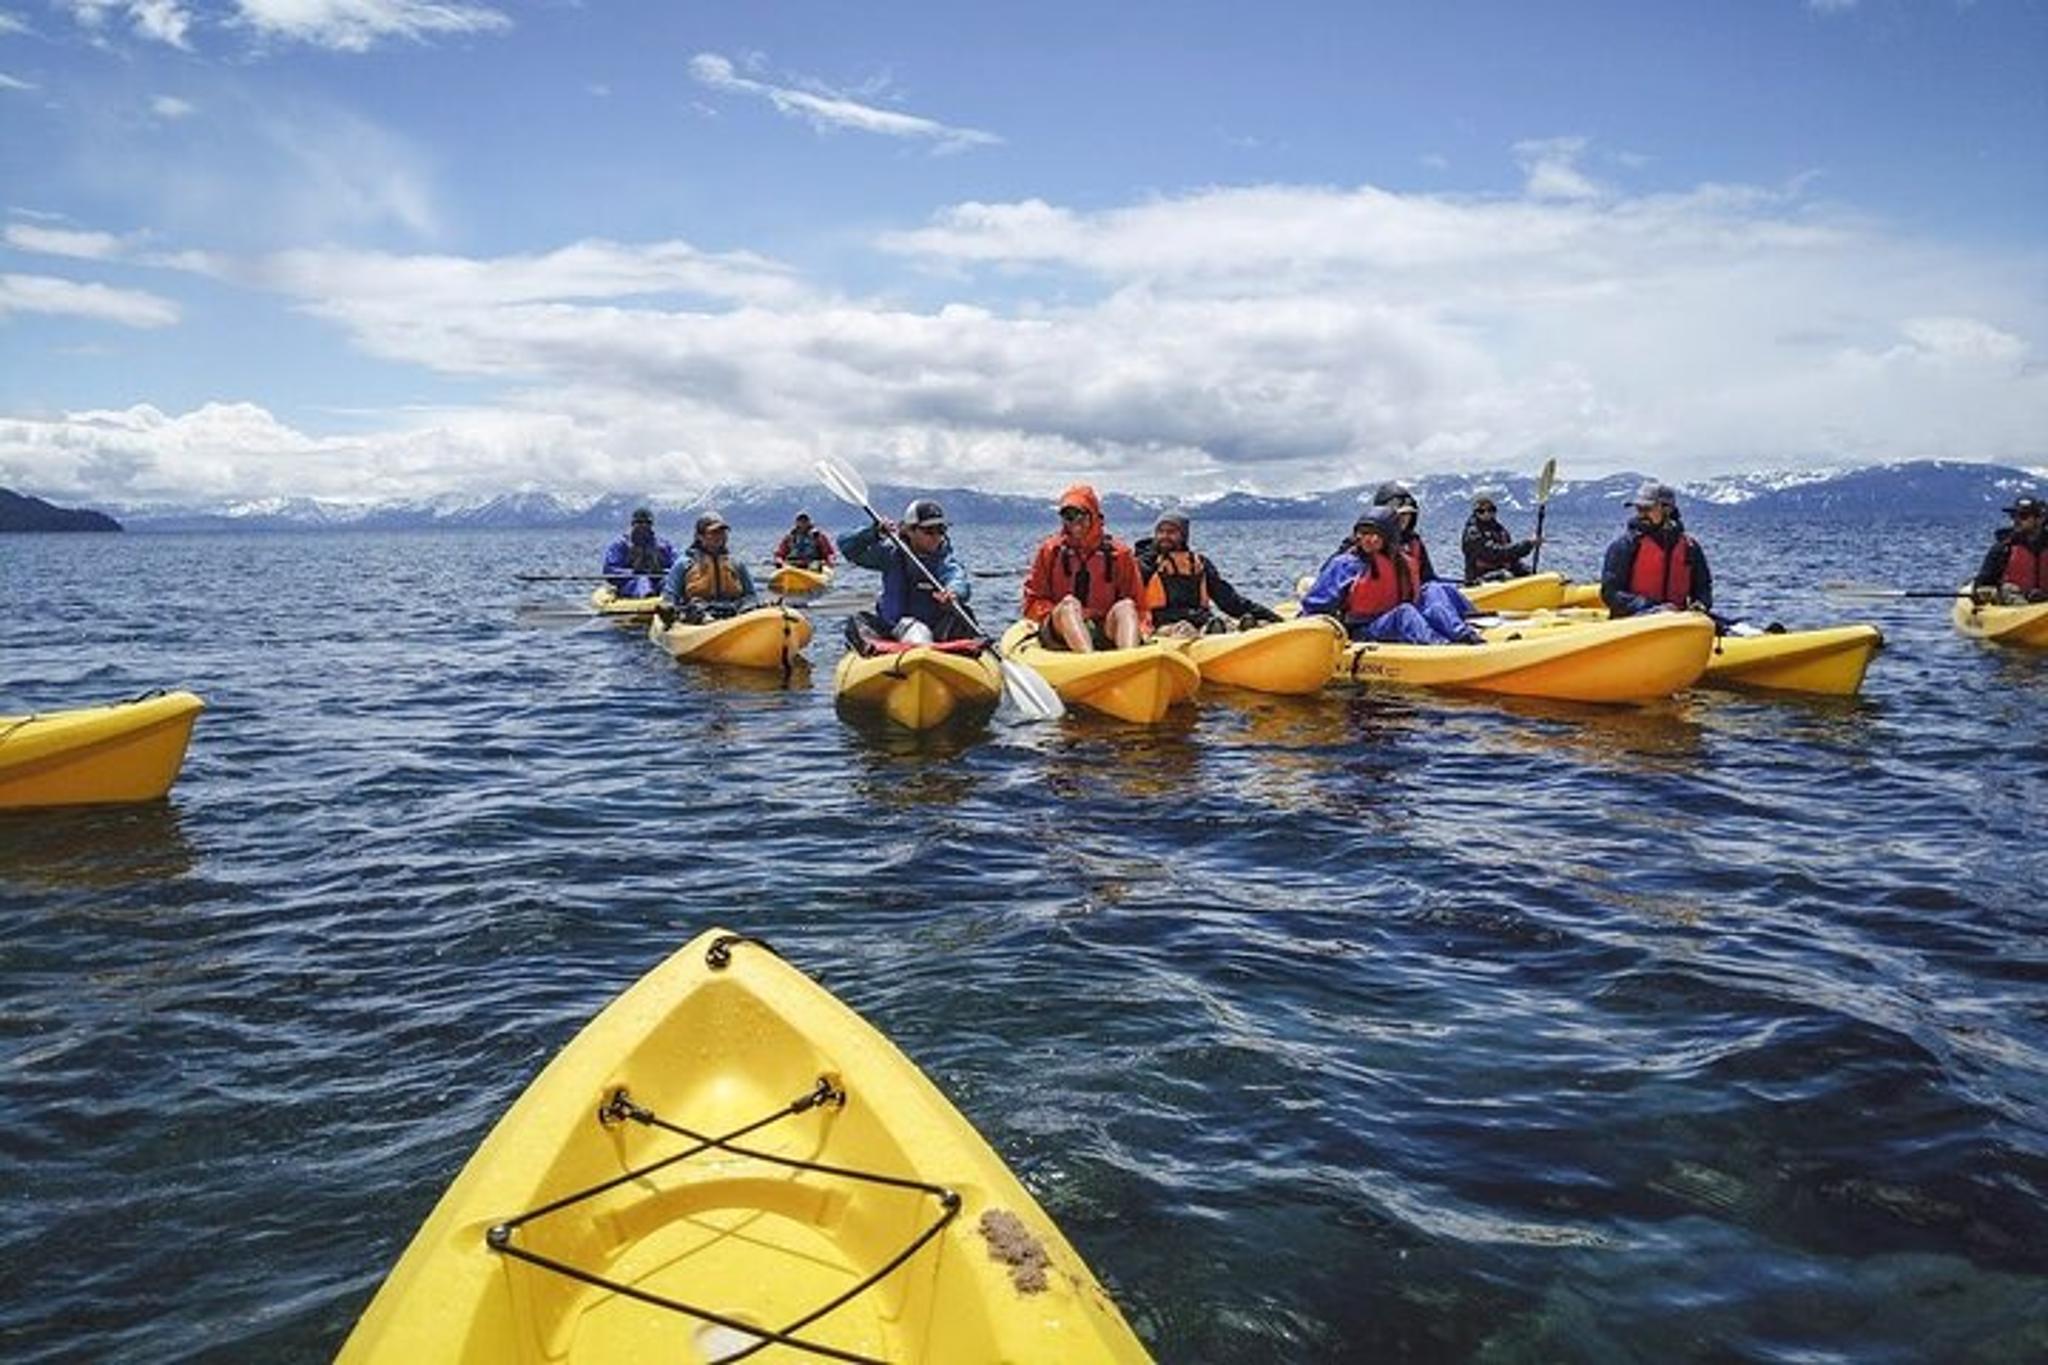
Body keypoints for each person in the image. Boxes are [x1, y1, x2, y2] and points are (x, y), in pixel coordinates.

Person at [1302, 509, 1480, 644]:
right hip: (1361, 629)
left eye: (1373, 534)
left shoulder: (1403, 561)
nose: (1367, 539)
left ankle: (1465, 634)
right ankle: (1442, 648)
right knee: (1404, 613)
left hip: (1392, 618)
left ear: (1388, 537)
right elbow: (1315, 606)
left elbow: (1418, 592)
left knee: (1434, 590)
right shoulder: (1345, 564)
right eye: (1362, 533)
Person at [1022, 484, 1149, 651]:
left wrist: (1144, 631)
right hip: (1060, 628)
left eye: (1080, 515)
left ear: (1094, 516)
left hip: (1104, 626)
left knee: (1126, 606)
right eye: (1068, 516)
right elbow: (1033, 601)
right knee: (1069, 604)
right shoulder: (1050, 550)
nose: (1074, 522)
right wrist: (1064, 612)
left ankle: (1132, 661)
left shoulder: (1120, 553)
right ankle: (1088, 661)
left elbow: (1138, 604)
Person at [841, 498, 976, 647]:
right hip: (893, 631)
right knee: (857, 621)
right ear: (909, 530)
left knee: (964, 615)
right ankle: (882, 653)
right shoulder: (890, 555)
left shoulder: (943, 560)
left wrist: (954, 592)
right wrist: (872, 532)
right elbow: (848, 548)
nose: (936, 536)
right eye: (929, 531)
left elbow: (957, 578)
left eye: (941, 530)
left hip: (936, 631)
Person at [1134, 511, 1284, 637]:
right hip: (1160, 624)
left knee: (1225, 624)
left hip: (1200, 619)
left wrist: (1273, 618)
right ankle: (1209, 632)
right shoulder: (1146, 563)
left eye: (1171, 532)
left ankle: (1237, 630)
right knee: (1183, 629)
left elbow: (1230, 601)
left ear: (1184, 535)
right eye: (1160, 532)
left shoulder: (1199, 563)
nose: (1164, 536)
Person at [1600, 480, 1713, 618]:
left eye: (1646, 509)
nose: (1641, 515)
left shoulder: (1690, 547)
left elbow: (1703, 587)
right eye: (1638, 509)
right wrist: (1650, 607)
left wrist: (1701, 604)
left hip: (1676, 623)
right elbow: (1610, 593)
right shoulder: (1624, 546)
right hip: (1633, 624)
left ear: (1667, 509)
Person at [657, 512, 758, 625]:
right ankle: (709, 622)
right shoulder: (684, 564)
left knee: (750, 606)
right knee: (695, 607)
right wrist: (668, 608)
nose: (719, 536)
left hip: (733, 609)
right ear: (700, 536)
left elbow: (751, 595)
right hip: (698, 612)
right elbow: (670, 595)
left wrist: (748, 607)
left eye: (722, 532)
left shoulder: (737, 563)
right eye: (713, 532)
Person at [1972, 495, 2047, 604]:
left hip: (2043, 604)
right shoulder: (2003, 548)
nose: (2017, 520)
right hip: (2012, 606)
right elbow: (1981, 584)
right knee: (2008, 589)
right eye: (2013, 516)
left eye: (2023, 516)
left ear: (2040, 519)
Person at [1461, 491, 1541, 582]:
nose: (1486, 514)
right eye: (1481, 511)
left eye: (1490, 510)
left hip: (1500, 572)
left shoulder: (1500, 531)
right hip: (1478, 579)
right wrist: (1527, 544)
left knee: (1530, 573)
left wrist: (1528, 572)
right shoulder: (1473, 533)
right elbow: (1493, 553)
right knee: (1505, 575)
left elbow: (1511, 557)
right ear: (1476, 513)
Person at [601, 507, 676, 598]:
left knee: (668, 581)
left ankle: (670, 599)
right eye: (639, 522)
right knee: (642, 580)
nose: (643, 525)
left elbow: (675, 568)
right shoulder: (620, 545)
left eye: (647, 523)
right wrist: (633, 572)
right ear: (633, 524)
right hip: (631, 583)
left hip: (658, 580)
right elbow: (610, 570)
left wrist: (661, 572)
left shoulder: (663, 545)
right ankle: (647, 598)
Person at [773, 511, 838, 569]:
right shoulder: (789, 537)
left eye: (805, 521)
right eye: (800, 521)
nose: (803, 523)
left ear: (809, 522)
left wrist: (830, 560)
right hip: (793, 564)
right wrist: (779, 561)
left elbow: (829, 553)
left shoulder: (818, 536)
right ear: (797, 523)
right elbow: (780, 554)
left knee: (815, 566)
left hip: (813, 564)